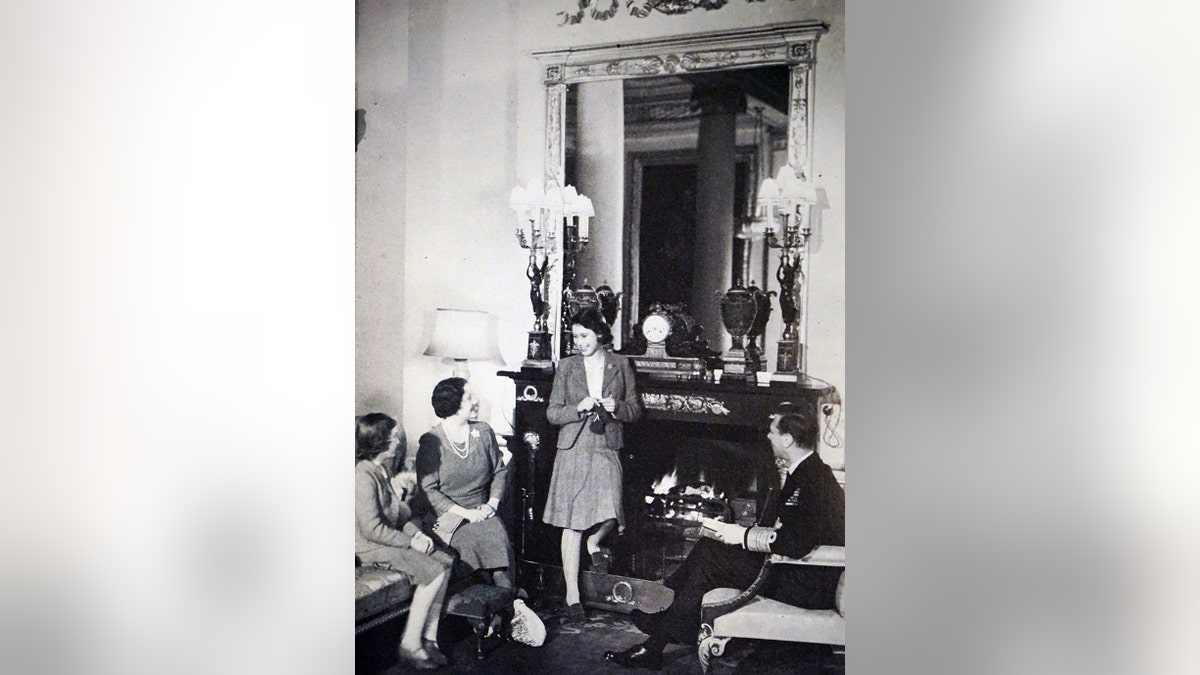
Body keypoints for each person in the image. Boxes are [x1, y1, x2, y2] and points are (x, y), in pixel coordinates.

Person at [604, 403, 845, 670]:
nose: (767, 436)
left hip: (806, 583)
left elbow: (796, 544)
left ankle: (657, 639)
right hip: (797, 571)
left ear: (787, 440)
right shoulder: (808, 470)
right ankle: (665, 623)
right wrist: (739, 535)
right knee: (710, 545)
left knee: (712, 556)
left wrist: (741, 536)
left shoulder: (812, 479)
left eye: (773, 431)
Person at [543, 306, 643, 625]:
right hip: (573, 446)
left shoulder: (621, 364)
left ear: (599, 334)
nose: (579, 342)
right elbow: (552, 413)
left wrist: (618, 408)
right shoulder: (567, 366)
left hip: (606, 443)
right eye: (575, 337)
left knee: (614, 508)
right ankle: (573, 597)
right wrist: (577, 408)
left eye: (584, 336)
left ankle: (595, 542)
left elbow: (636, 410)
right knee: (572, 522)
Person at [355, 413, 454, 671]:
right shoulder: (362, 477)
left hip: (386, 540)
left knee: (445, 560)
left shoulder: (381, 470)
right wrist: (410, 543)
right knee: (433, 573)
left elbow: (396, 516)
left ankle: (429, 639)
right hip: (369, 547)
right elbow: (372, 529)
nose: (399, 441)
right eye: (395, 436)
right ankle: (410, 643)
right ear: (380, 441)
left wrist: (417, 534)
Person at [416, 377, 516, 590]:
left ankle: (506, 605)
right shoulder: (431, 442)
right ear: (454, 404)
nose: (476, 401)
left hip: (483, 511)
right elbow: (428, 491)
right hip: (448, 517)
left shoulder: (484, 432)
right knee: (475, 542)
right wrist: (466, 514)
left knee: (496, 534)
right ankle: (501, 608)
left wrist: (492, 505)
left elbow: (499, 471)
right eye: (469, 397)